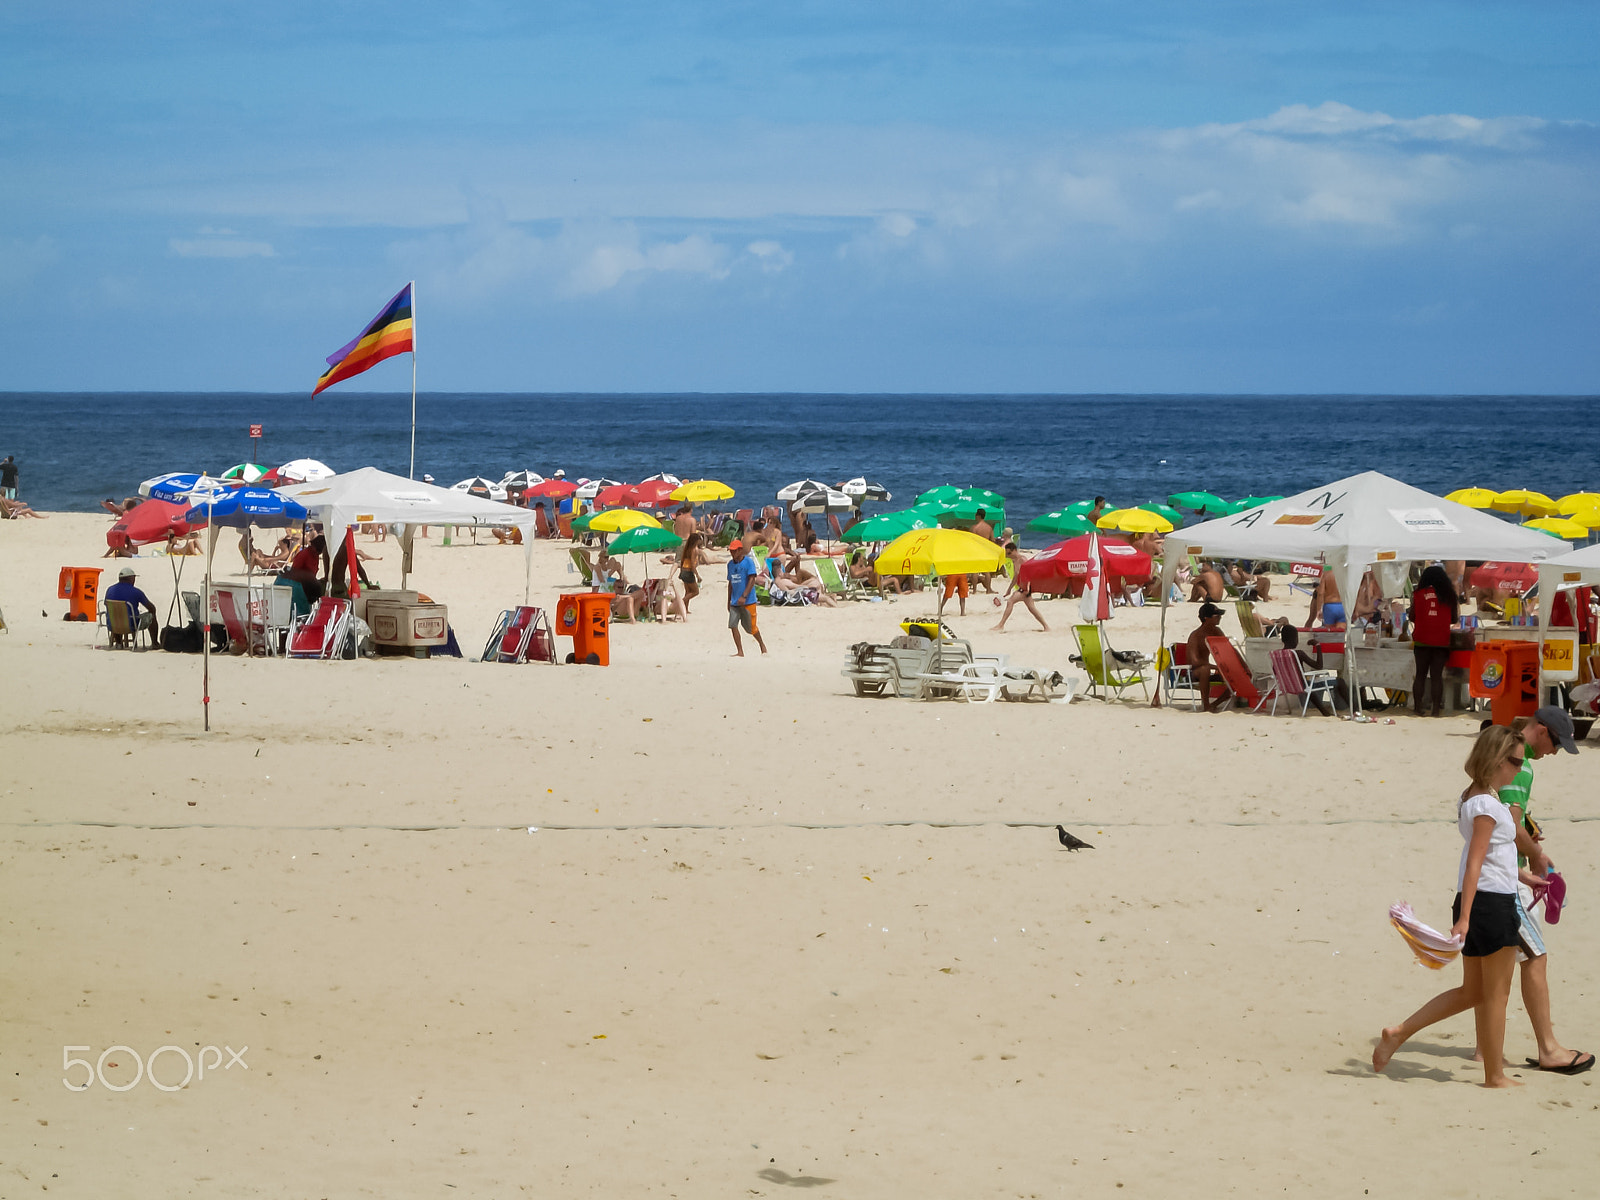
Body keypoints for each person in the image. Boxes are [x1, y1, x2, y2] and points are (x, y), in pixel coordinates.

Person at [1373, 725, 1538, 1088]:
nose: (1518, 769)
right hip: (1488, 906)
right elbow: (1476, 861)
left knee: (1474, 992)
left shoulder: (1473, 797)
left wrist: (1525, 878)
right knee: (1496, 994)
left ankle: (1399, 1033)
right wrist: (1464, 917)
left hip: (1483, 899)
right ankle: (1494, 1075)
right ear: (1496, 760)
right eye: (1514, 761)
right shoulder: (1486, 805)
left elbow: (1492, 857)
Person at [1495, 708, 1592, 1074]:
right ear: (1541, 730)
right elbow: (1510, 820)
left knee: (1498, 964)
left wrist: (1532, 842)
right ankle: (1549, 1049)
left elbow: (1503, 815)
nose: (1554, 752)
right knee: (1535, 957)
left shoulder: (1499, 746)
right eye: (1556, 743)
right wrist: (1534, 857)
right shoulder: (1521, 763)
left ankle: (1484, 1047)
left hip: (1497, 872)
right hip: (1508, 879)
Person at [1410, 564, 1460, 717]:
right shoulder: (1449, 595)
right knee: (1437, 676)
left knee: (1420, 675)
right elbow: (1454, 619)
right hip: (1441, 640)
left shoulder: (1418, 594)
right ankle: (1436, 710)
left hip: (1421, 639)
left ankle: (1418, 708)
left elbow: (1412, 616)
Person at [1186, 602, 1231, 713]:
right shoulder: (1195, 636)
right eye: (1217, 616)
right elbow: (1195, 661)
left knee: (1235, 672)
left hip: (1208, 669)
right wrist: (1216, 667)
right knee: (1204, 669)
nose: (1220, 618)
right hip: (1195, 672)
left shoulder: (1217, 631)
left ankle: (1215, 704)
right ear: (1206, 618)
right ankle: (1206, 705)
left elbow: (1226, 651)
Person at [992, 542, 1048, 632]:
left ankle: (1001, 625)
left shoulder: (1023, 559)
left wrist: (1028, 587)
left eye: (1009, 553)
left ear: (1015, 550)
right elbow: (1016, 576)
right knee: (1032, 609)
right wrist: (1009, 589)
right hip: (1022, 588)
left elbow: (1030, 574)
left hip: (1025, 589)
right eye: (1007, 554)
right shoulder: (1015, 561)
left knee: (1010, 602)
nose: (1008, 556)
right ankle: (1046, 626)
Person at [726, 540, 767, 656]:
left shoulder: (748, 562)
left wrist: (744, 596)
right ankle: (740, 651)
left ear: (740, 550)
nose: (732, 553)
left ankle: (762, 645)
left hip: (748, 601)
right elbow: (730, 583)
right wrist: (728, 600)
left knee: (751, 629)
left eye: (734, 551)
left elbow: (752, 580)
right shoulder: (730, 564)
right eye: (731, 551)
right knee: (733, 626)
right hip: (734, 602)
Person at [103, 566, 161, 644]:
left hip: (112, 624)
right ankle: (155, 643)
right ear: (131, 578)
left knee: (117, 615)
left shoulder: (110, 590)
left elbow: (106, 604)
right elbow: (151, 608)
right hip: (131, 625)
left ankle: (119, 643)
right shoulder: (136, 592)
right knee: (151, 616)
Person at [282, 534, 328, 602]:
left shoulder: (315, 556)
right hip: (300, 585)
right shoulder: (304, 554)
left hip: (309, 584)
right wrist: (307, 577)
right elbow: (294, 571)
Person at [678, 532, 703, 613]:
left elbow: (682, 561)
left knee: (688, 592)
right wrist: (697, 575)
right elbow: (692, 564)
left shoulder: (687, 548)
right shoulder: (694, 549)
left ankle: (685, 609)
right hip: (688, 572)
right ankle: (680, 602)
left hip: (684, 571)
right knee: (695, 591)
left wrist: (680, 571)